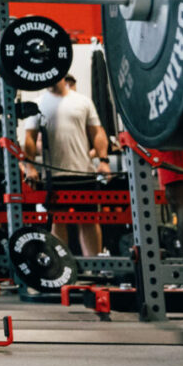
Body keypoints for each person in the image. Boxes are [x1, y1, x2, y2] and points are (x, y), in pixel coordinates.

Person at [20, 74, 110, 256]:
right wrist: (30, 167)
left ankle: (95, 267)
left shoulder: (83, 102)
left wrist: (104, 161)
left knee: (89, 220)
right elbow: (29, 138)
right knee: (57, 220)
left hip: (84, 172)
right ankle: (59, 269)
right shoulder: (37, 104)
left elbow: (97, 133)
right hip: (54, 176)